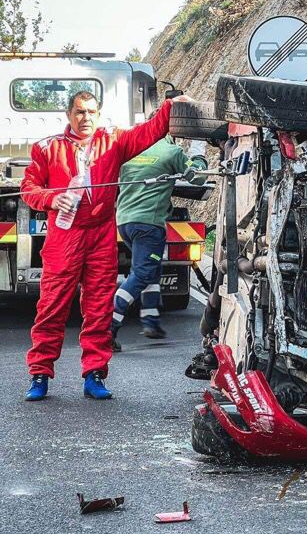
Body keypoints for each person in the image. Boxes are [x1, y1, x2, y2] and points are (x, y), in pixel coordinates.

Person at [20, 89, 189, 401]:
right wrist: (52, 198)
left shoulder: (114, 141)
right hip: (64, 237)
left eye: (91, 112)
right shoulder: (46, 148)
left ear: (98, 115)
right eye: (80, 112)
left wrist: (169, 108)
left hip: (101, 234)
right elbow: (29, 188)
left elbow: (149, 131)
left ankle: (95, 374)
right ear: (69, 115)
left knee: (99, 307)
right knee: (51, 307)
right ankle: (40, 374)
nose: (86, 118)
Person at [112, 136, 207, 349]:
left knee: (150, 269)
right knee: (143, 273)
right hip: (149, 224)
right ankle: (108, 326)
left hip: (125, 222)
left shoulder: (135, 148)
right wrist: (199, 151)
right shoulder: (171, 152)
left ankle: (151, 321)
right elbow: (198, 177)